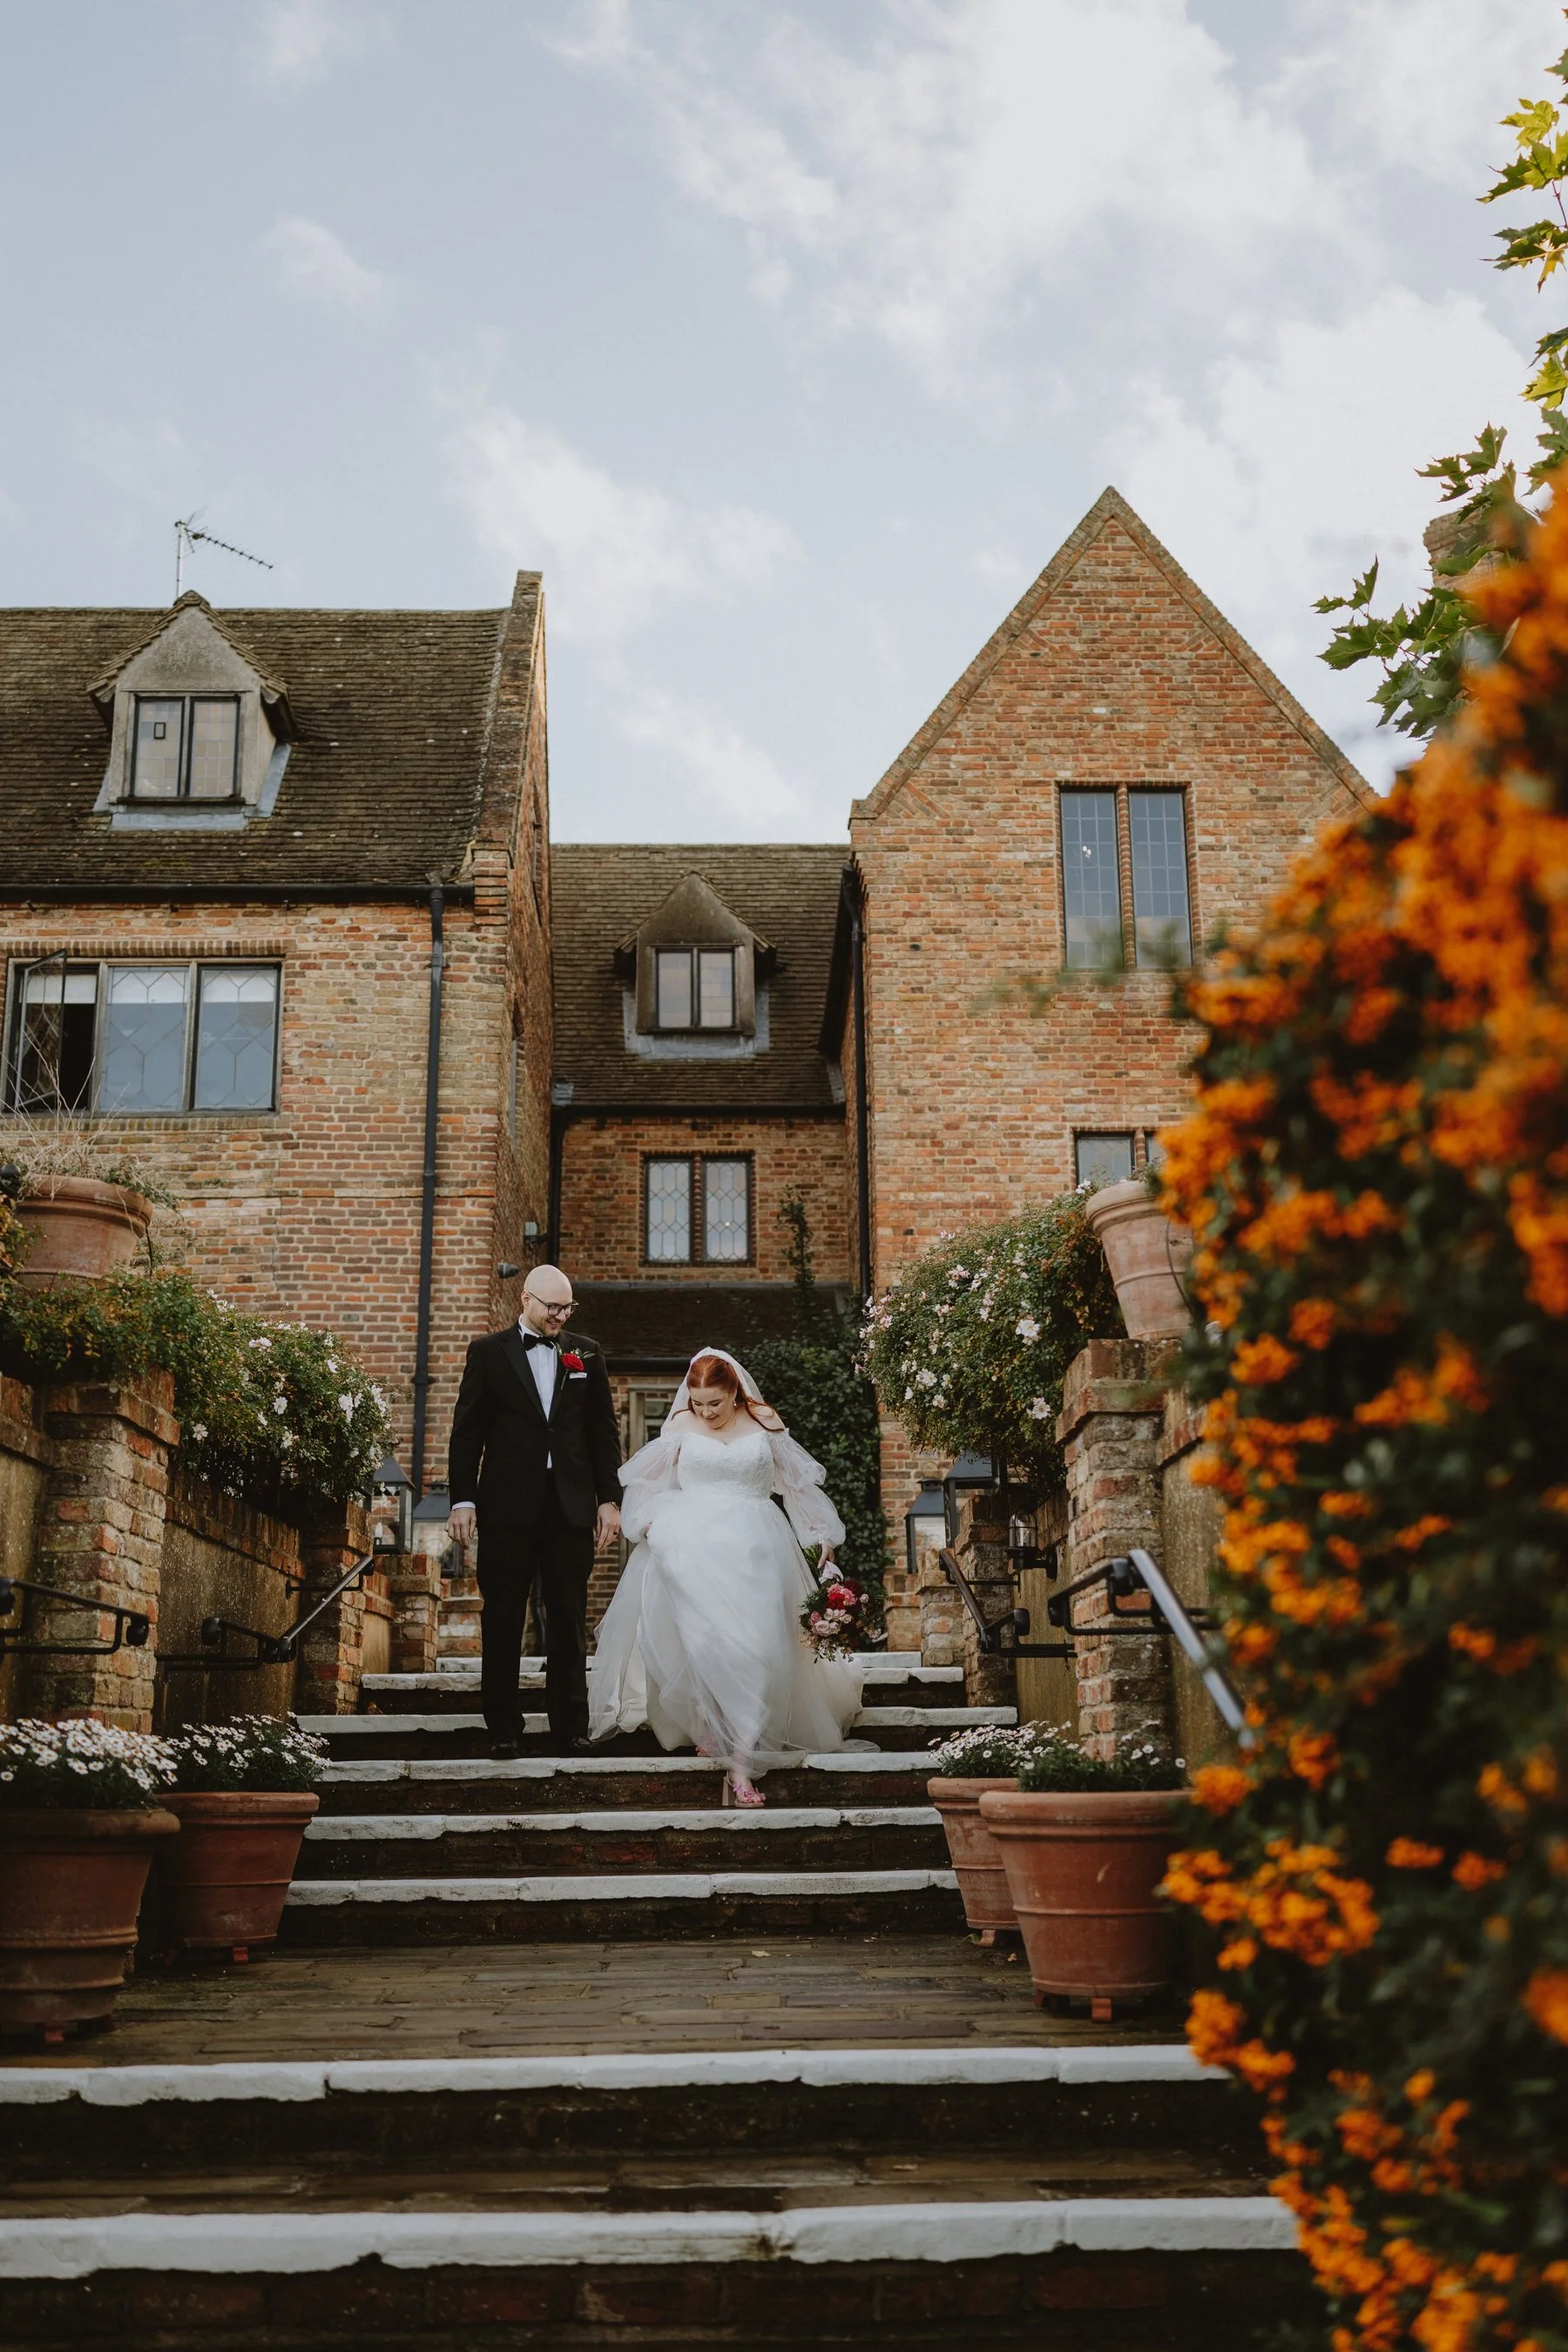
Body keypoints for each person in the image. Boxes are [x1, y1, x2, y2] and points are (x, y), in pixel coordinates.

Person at [588, 1348, 863, 1805]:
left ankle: (741, 1762)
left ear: (735, 1392)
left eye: (714, 1403)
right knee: (705, 1644)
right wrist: (651, 1521)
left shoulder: (765, 1426)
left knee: (758, 1649)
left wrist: (821, 1535)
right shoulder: (679, 1428)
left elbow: (797, 1486)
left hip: (756, 1547)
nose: (706, 1412)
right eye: (698, 1403)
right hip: (693, 1548)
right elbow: (645, 1488)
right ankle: (728, 1752)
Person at [446, 1266, 622, 1757]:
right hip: (505, 1508)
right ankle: (503, 1728)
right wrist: (463, 1499)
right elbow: (467, 1432)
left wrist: (609, 1500)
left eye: (568, 1309)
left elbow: (603, 1433)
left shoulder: (585, 1352)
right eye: (552, 1308)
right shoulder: (488, 1353)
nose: (560, 1317)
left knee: (567, 1616)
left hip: (569, 1508)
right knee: (502, 1617)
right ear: (525, 1298)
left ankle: (571, 1727)